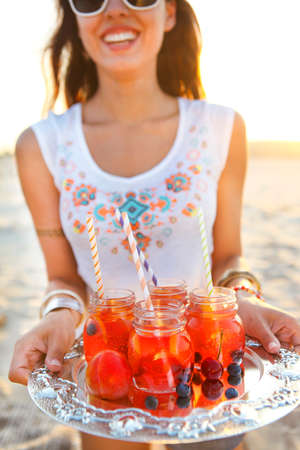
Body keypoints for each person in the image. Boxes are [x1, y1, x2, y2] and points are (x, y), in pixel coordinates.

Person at [8, 1, 300, 449]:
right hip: (108, 357)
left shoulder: (221, 128)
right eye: (91, 0)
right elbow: (64, 277)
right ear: (76, 18)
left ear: (169, 13)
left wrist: (240, 297)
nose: (116, 12)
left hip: (207, 351)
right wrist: (60, 314)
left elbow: (227, 257)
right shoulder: (41, 147)